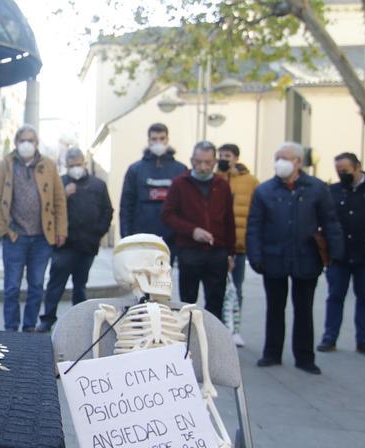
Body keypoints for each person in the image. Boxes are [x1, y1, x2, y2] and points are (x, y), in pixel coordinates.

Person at [247, 142, 344, 375]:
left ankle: (305, 357)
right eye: (277, 157)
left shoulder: (317, 188)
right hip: (274, 258)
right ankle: (271, 353)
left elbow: (330, 222)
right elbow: (254, 226)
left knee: (304, 309)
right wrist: (255, 255)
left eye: (285, 157)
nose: (279, 161)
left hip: (306, 257)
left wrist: (336, 254)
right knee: (275, 308)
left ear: (298, 161)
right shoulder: (264, 190)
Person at [0, 124, 67, 332]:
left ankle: (30, 327)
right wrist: (5, 230)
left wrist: (61, 230)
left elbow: (59, 200)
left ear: (36, 143)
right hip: (15, 236)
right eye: (22, 140)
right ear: (16, 143)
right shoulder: (5, 165)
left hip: (42, 238)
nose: (26, 144)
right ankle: (12, 328)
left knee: (36, 286)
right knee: (12, 287)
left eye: (30, 140)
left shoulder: (49, 165)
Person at [38, 147, 112, 331]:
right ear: (66, 166)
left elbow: (107, 211)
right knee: (55, 285)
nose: (75, 168)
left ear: (84, 163)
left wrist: (98, 232)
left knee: (80, 286)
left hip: (88, 245)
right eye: (71, 166)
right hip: (64, 245)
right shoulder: (59, 183)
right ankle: (47, 319)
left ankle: (81, 321)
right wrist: (64, 193)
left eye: (78, 164)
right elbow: (48, 211)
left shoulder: (98, 185)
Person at [161, 141, 235, 320]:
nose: (203, 167)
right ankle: (188, 339)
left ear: (215, 162)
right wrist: (192, 230)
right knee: (187, 303)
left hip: (217, 252)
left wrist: (231, 253)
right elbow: (167, 215)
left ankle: (213, 341)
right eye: (198, 162)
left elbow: (229, 220)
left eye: (207, 162)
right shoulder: (180, 183)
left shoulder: (222, 185)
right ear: (192, 160)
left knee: (215, 301)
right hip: (189, 251)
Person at [317, 152, 365, 358]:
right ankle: (330, 338)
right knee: (335, 297)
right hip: (339, 256)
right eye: (338, 171)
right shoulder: (332, 191)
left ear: (357, 167)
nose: (341, 174)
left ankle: (364, 341)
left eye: (345, 171)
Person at [119, 123, 188, 262]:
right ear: (148, 141)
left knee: (163, 280)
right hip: (141, 237)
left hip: (170, 237)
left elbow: (186, 206)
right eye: (154, 139)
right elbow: (126, 205)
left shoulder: (180, 170)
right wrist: (126, 235)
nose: (158, 142)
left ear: (167, 140)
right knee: (142, 279)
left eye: (162, 138)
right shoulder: (135, 170)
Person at [217, 143, 259, 346]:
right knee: (216, 288)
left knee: (236, 288)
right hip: (216, 244)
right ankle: (217, 327)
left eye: (228, 155)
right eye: (221, 155)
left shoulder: (250, 182)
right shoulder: (214, 178)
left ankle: (235, 328)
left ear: (236, 158)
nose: (224, 158)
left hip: (239, 244)